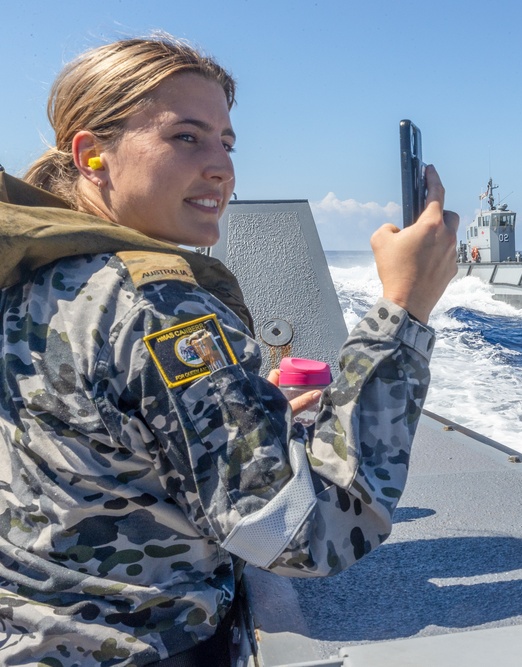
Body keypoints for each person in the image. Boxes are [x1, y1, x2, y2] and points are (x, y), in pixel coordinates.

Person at [0, 36, 458, 665]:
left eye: (226, 141)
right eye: (186, 137)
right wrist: (403, 311)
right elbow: (309, 533)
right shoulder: (156, 305)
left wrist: (248, 408)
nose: (222, 166)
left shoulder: (34, 273)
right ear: (91, 154)